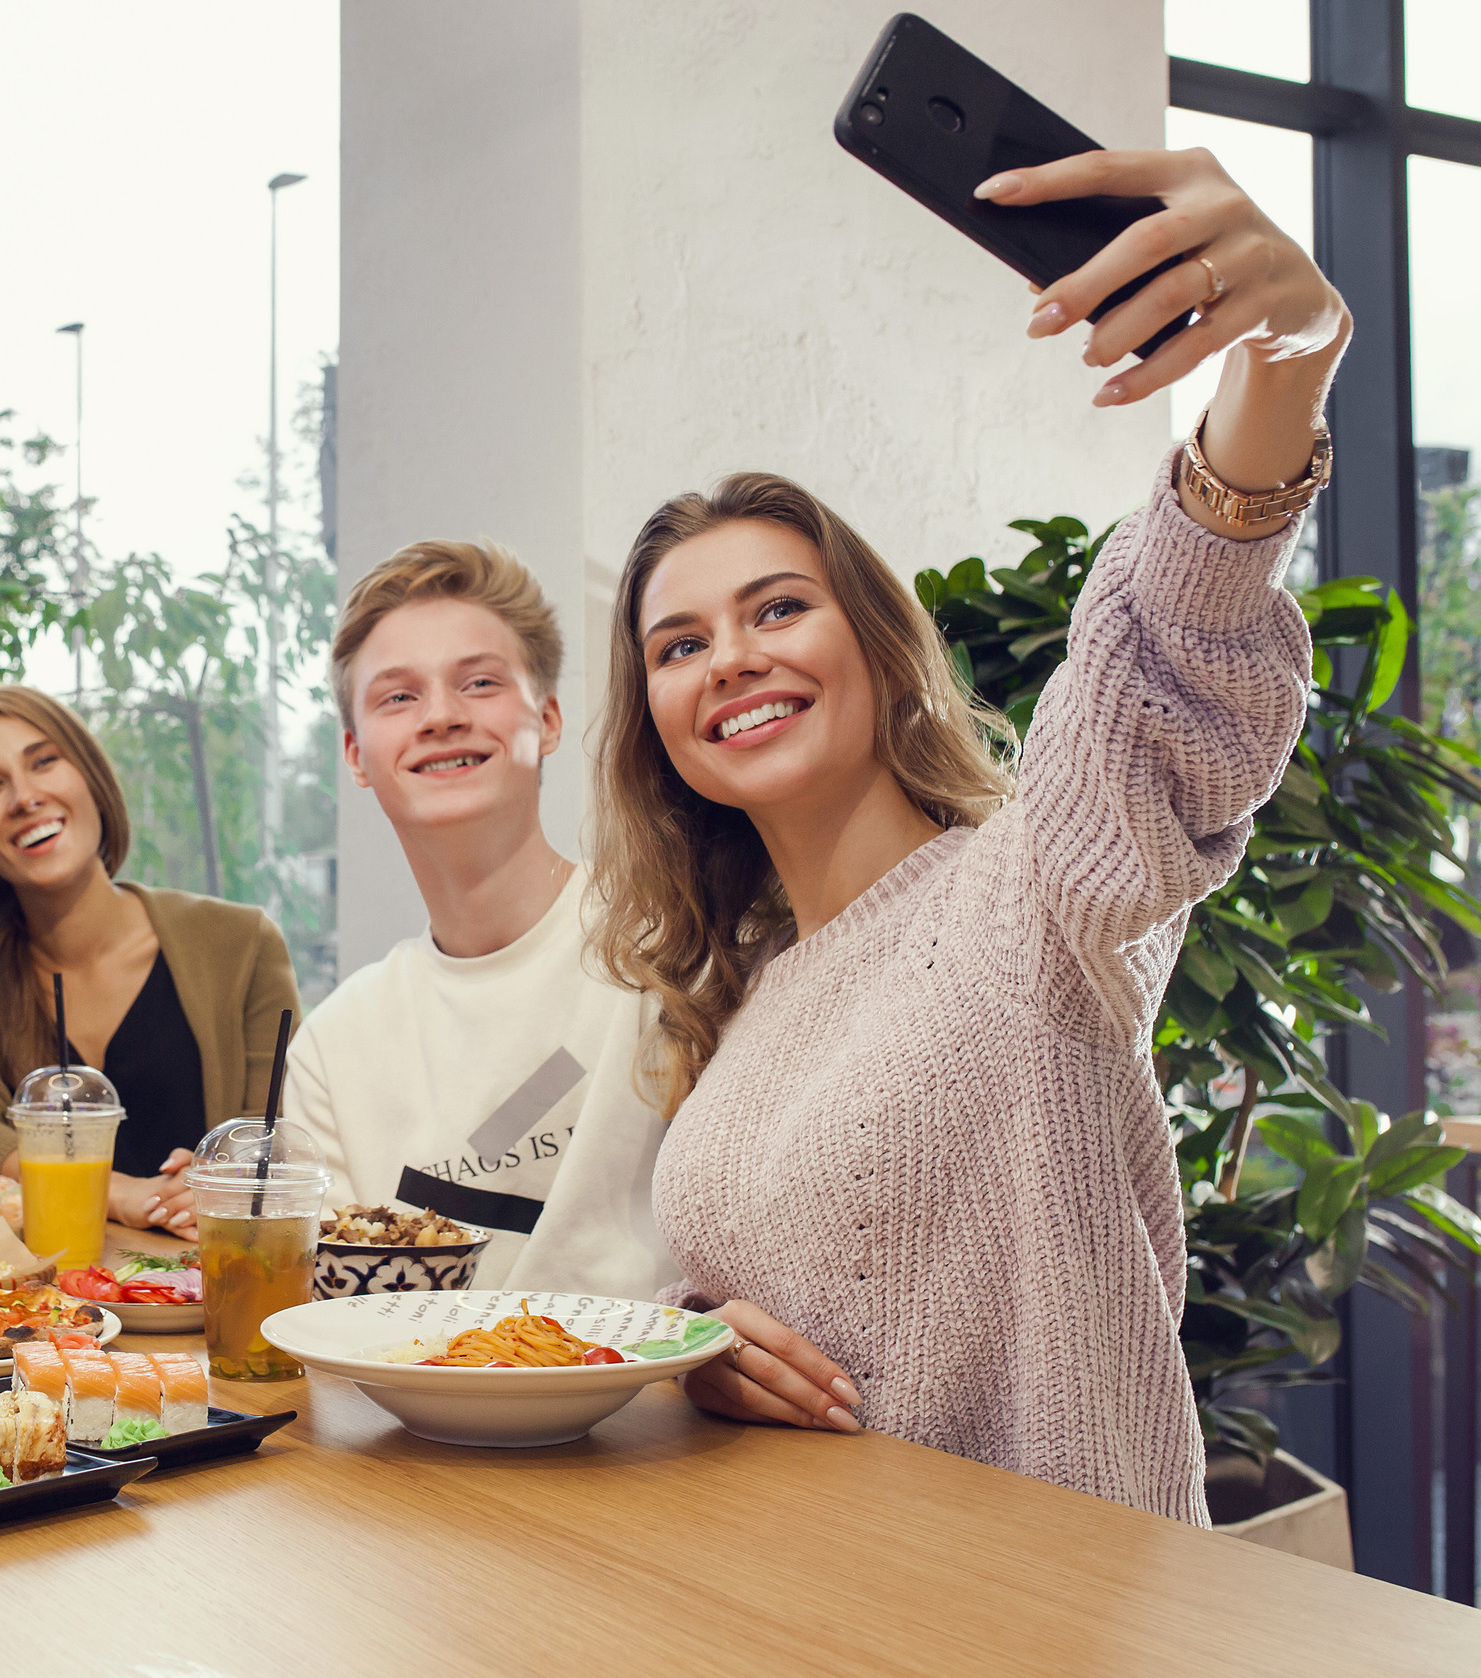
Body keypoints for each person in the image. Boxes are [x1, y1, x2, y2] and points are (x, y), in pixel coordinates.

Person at [591, 147, 1344, 1525]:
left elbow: (1162, 656)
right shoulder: (752, 993)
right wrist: (700, 1344)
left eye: (778, 608)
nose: (731, 659)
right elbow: (794, 1286)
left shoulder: (1029, 895)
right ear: (658, 726)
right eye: (680, 641)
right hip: (815, 1614)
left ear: (877, 647)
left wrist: (1284, 362)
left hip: (1049, 1635)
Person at [282, 542, 679, 1299]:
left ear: (549, 718)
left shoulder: (668, 946)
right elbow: (330, 1309)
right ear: (355, 754)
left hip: (660, 1408)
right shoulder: (334, 1049)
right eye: (397, 697)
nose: (442, 715)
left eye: (481, 682)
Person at [0, 684, 297, 1229]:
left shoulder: (242, 941)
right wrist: (116, 1192)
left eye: (44, 762)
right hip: (43, 1302)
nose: (24, 797)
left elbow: (271, 1135)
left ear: (92, 781)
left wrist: (228, 1179)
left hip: (205, 1291)